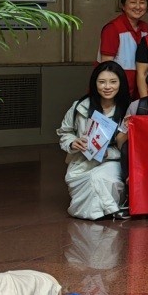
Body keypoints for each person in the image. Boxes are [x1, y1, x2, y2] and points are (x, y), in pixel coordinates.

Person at [57, 61, 130, 221]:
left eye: (113, 82)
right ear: (94, 84)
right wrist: (73, 143)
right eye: (102, 82)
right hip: (81, 163)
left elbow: (130, 147)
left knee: (98, 178)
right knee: (90, 179)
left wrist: (109, 152)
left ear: (121, 83)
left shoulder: (128, 110)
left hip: (112, 162)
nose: (107, 86)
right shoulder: (80, 107)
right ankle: (113, 209)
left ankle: (109, 210)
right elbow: (65, 132)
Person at [97, 0, 148, 94]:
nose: (138, 7)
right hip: (114, 91)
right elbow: (107, 66)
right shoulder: (113, 28)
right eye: (133, 2)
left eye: (142, 2)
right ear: (123, 6)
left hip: (137, 91)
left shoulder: (145, 28)